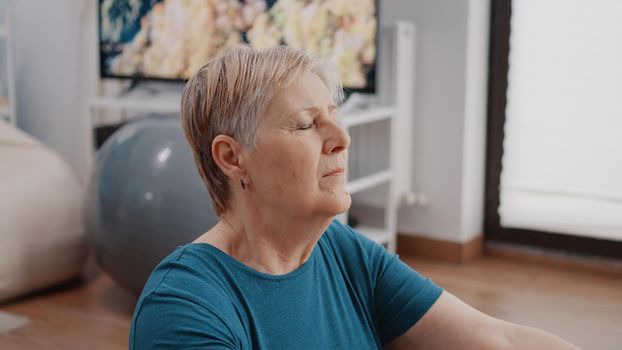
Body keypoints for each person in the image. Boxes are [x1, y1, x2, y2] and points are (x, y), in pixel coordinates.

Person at [129, 45, 580, 349]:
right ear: (232, 157)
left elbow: (501, 340)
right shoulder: (184, 306)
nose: (341, 137)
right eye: (307, 124)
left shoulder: (342, 253)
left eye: (335, 115)